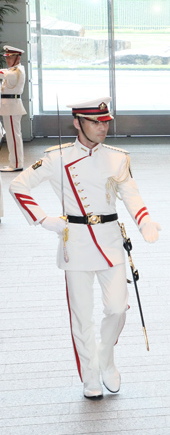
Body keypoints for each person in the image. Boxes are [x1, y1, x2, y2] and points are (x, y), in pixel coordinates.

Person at [9, 97, 161, 399]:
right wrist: (44, 219)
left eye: (105, 122)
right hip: (75, 242)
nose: (102, 128)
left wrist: (145, 222)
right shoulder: (57, 157)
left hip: (110, 241)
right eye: (95, 122)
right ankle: (90, 374)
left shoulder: (118, 158)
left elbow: (131, 193)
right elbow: (18, 186)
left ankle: (105, 359)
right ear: (77, 123)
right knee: (81, 315)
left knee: (117, 308)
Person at [0, 45, 27, 172]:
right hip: (9, 107)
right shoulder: (12, 70)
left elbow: (5, 74)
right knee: (12, 137)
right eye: (7, 57)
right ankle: (14, 162)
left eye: (10, 57)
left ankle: (16, 164)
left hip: (11, 107)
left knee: (14, 137)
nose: (7, 60)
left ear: (17, 58)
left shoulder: (16, 71)